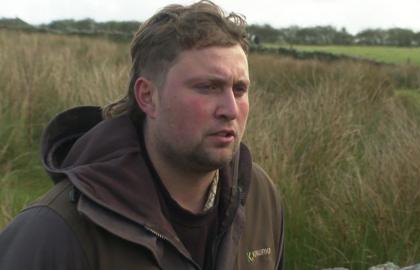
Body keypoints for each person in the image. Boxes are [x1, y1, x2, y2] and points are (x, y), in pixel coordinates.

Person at [0, 1, 284, 269]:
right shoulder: (54, 231)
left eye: (239, 89)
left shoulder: (258, 196)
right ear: (147, 96)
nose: (231, 109)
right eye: (207, 87)